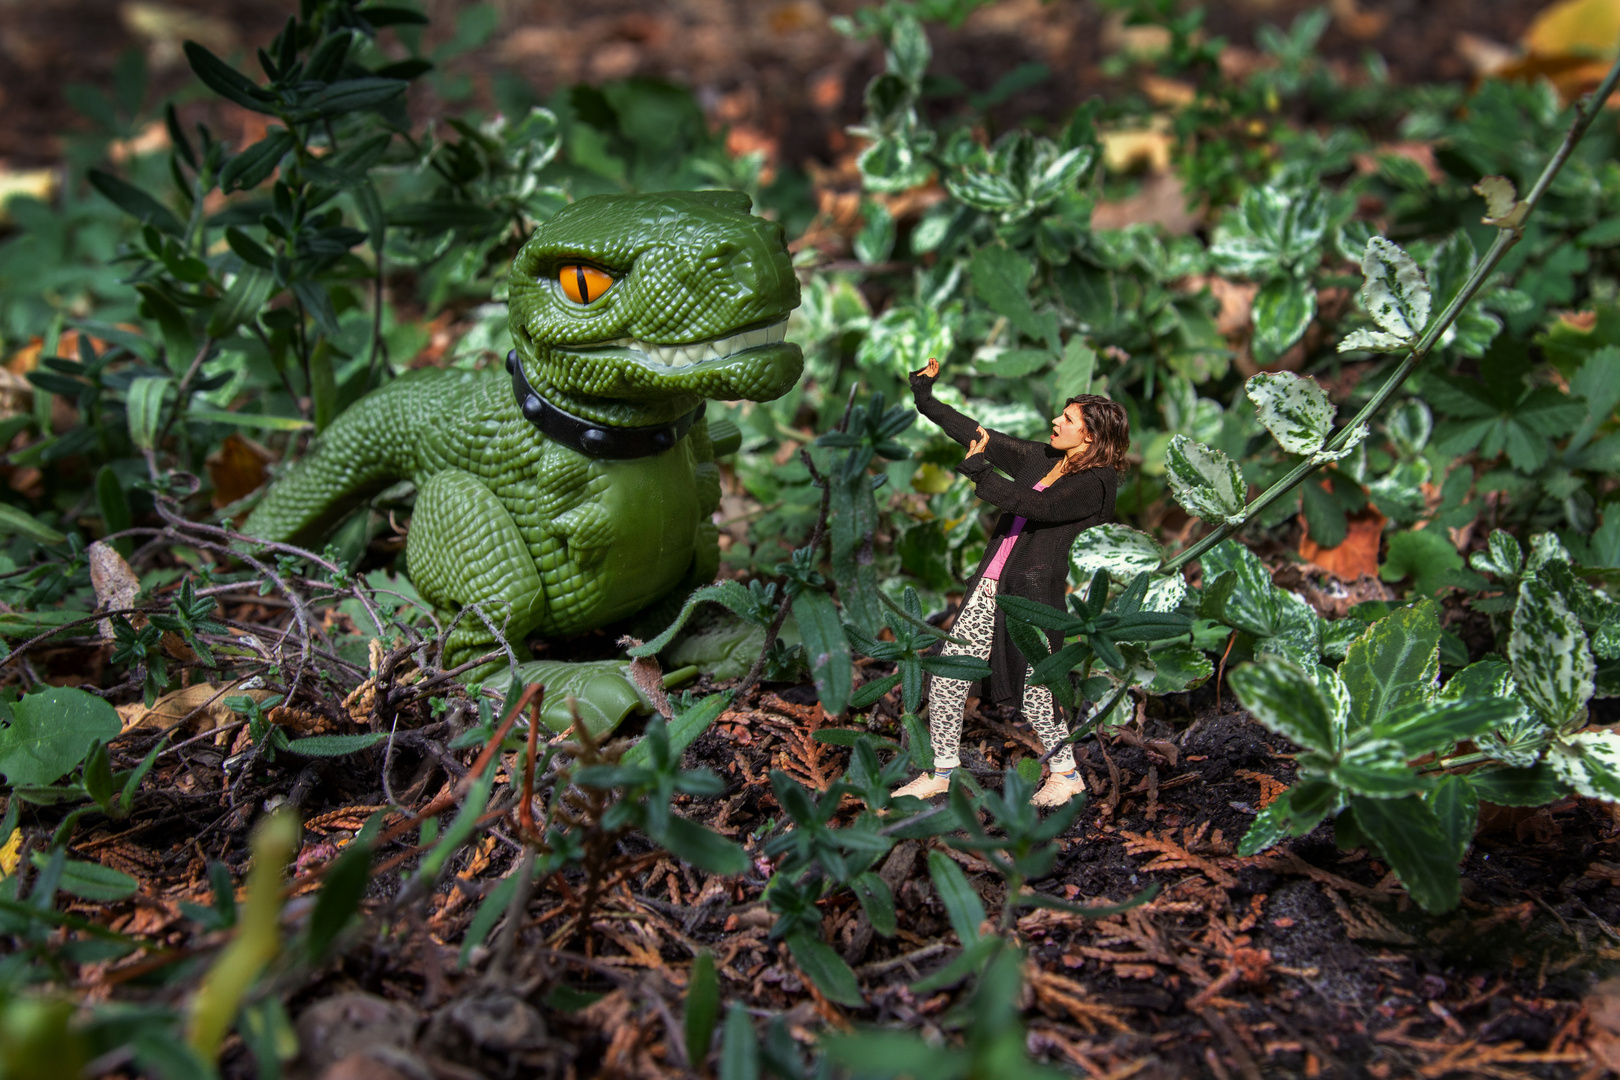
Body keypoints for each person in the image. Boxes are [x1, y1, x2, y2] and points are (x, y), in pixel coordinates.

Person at [893, 356, 1126, 808]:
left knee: (1038, 690)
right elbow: (977, 434)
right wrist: (926, 398)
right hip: (991, 584)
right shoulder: (1042, 457)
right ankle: (942, 770)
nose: (1056, 421)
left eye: (1068, 418)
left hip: (1035, 597)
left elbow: (1033, 505)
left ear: (1091, 436)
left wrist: (979, 471)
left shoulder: (1096, 483)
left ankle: (1066, 774)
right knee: (948, 673)